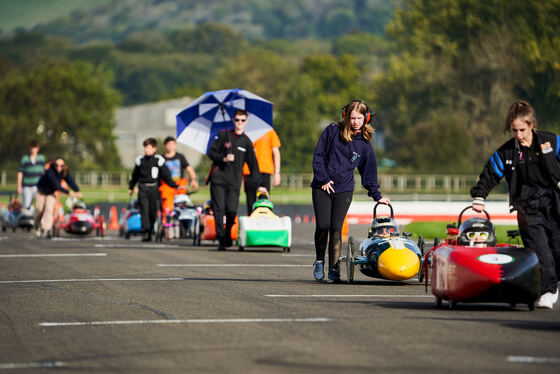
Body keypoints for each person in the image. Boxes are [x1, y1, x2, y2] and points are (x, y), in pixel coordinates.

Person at [471, 100, 560, 309]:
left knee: (557, 247)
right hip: (527, 206)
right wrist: (479, 197)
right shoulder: (506, 152)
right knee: (539, 250)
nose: (518, 135)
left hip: (554, 202)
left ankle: (554, 283)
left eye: (522, 129)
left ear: (532, 125)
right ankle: (548, 290)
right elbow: (490, 174)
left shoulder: (550, 141)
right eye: (514, 130)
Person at [311, 100, 390, 282]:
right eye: (352, 117)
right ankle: (319, 260)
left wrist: (376, 195)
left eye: (359, 118)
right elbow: (319, 156)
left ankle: (333, 269)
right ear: (346, 116)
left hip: (344, 189)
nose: (355, 122)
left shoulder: (364, 143)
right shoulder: (332, 130)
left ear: (366, 118)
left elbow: (368, 171)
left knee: (336, 228)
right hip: (322, 186)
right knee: (323, 226)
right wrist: (323, 179)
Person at [207, 109, 267, 250]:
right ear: (233, 121)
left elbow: (254, 165)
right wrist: (223, 158)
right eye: (237, 119)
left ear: (246, 122)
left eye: (242, 120)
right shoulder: (223, 135)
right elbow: (211, 152)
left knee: (232, 210)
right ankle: (221, 239)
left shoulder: (246, 142)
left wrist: (260, 184)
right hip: (219, 178)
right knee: (219, 209)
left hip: (234, 180)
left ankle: (228, 235)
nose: (239, 122)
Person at [129, 138, 178, 242]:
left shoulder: (158, 160)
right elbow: (135, 175)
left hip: (154, 188)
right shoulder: (140, 160)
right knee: (144, 211)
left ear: (154, 148)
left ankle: (150, 229)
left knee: (152, 211)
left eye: (149, 147)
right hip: (143, 188)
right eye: (145, 147)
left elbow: (166, 175)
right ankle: (146, 232)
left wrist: (174, 185)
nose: (147, 150)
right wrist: (131, 187)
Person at [34, 157, 82, 238]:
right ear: (54, 165)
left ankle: (46, 229)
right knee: (39, 209)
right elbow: (57, 185)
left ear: (64, 166)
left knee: (49, 209)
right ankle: (37, 225)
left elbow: (70, 181)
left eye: (61, 166)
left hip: (51, 193)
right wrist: (70, 193)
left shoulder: (64, 171)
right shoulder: (50, 171)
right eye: (57, 165)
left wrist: (77, 190)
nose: (59, 167)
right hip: (41, 192)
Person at [242, 129, 281, 214]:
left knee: (264, 202)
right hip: (249, 172)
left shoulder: (269, 131)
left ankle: (264, 224)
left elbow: (276, 152)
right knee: (250, 203)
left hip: (265, 171)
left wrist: (277, 172)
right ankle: (252, 224)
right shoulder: (246, 132)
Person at [160, 136, 199, 213]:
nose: (170, 146)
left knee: (183, 203)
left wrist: (193, 180)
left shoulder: (180, 157)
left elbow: (189, 169)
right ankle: (167, 222)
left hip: (180, 185)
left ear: (175, 145)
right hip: (167, 186)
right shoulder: (161, 159)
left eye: (172, 144)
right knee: (167, 206)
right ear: (165, 145)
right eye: (168, 144)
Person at [17, 140, 46, 210]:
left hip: (38, 186)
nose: (33, 150)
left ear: (38, 149)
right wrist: (19, 186)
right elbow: (20, 173)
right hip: (27, 186)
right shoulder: (25, 159)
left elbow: (44, 172)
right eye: (32, 148)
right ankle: (26, 219)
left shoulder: (41, 158)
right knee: (27, 205)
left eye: (35, 148)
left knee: (40, 205)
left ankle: (37, 220)